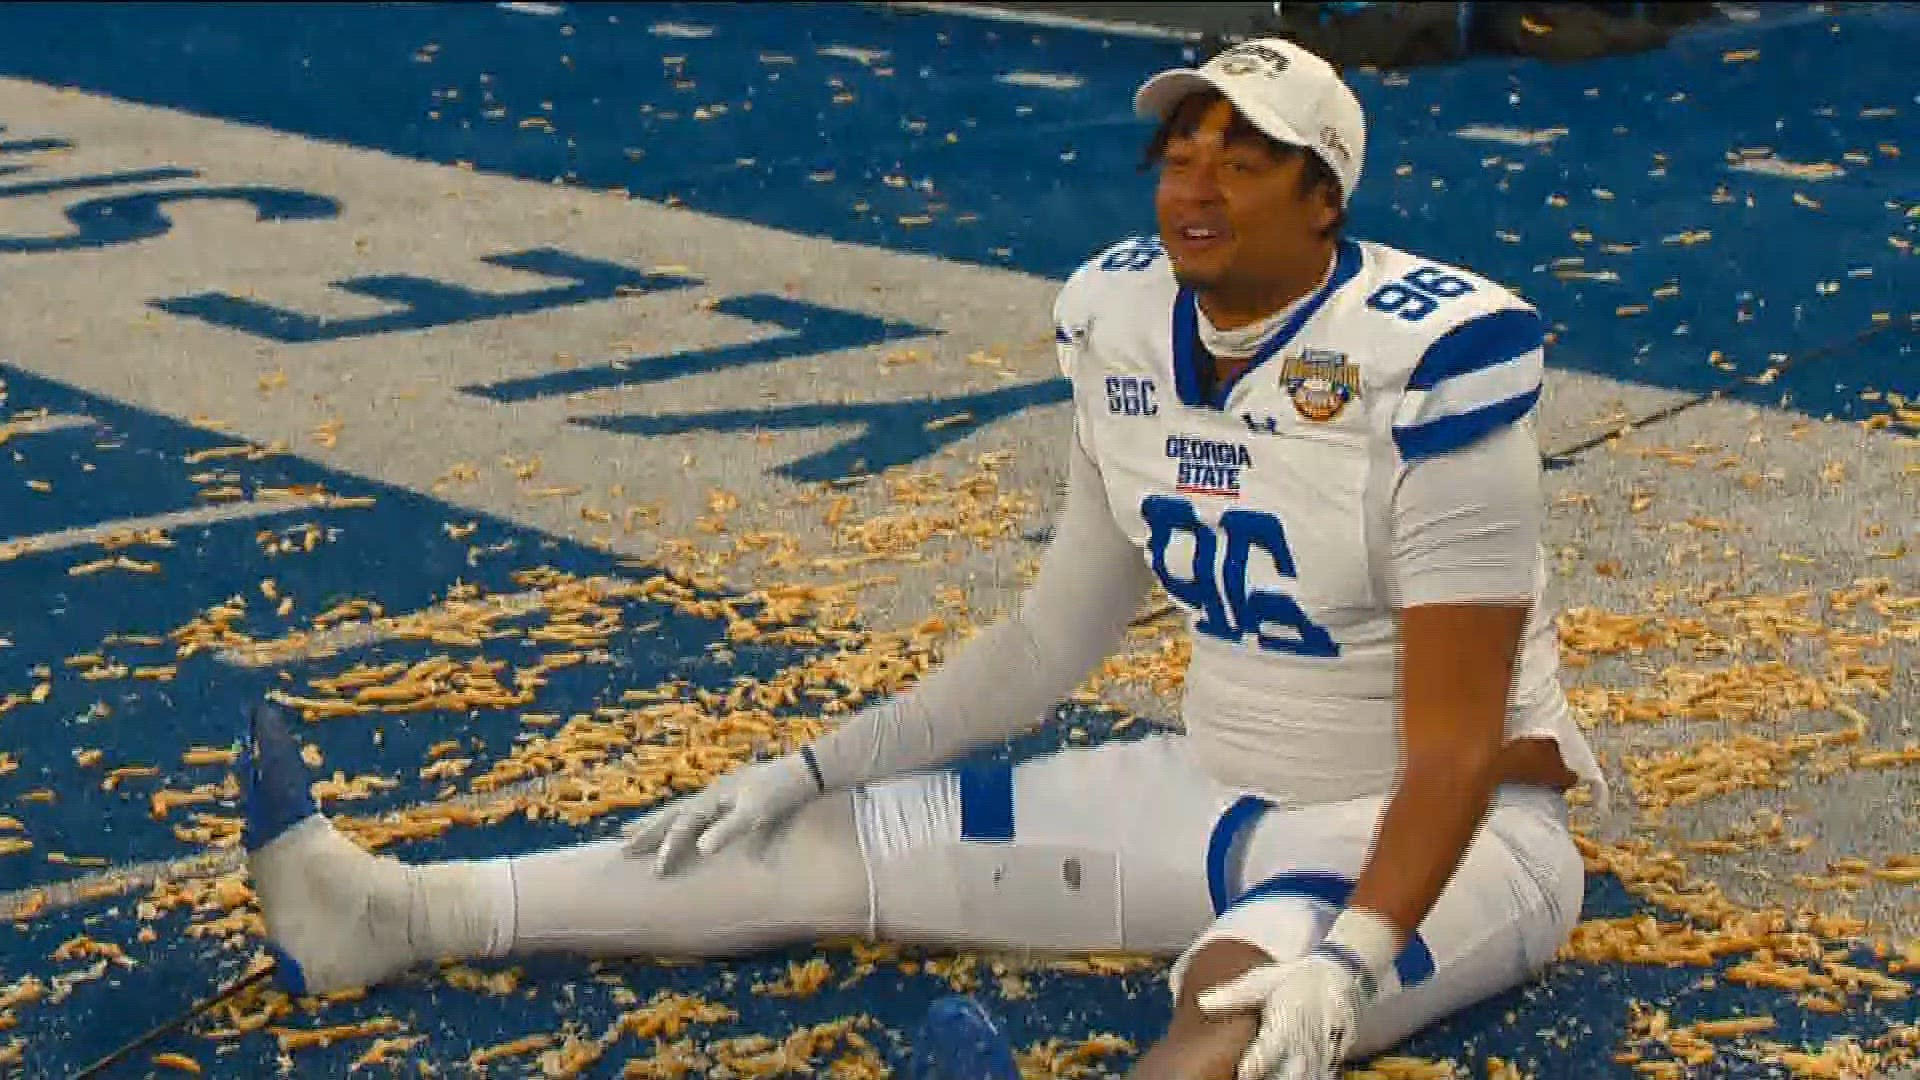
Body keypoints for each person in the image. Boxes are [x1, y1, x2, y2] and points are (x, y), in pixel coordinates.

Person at [242, 37, 1609, 1080]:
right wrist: (810, 763)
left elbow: (1454, 745)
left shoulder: (1433, 367)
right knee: (831, 846)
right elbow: (1043, 646)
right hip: (1213, 786)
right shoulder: (1122, 321)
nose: (1194, 185)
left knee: (1247, 993)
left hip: (1450, 833)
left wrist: (1359, 954)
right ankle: (399, 913)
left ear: (1326, 201)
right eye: (1181, 154)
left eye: (1242, 161)